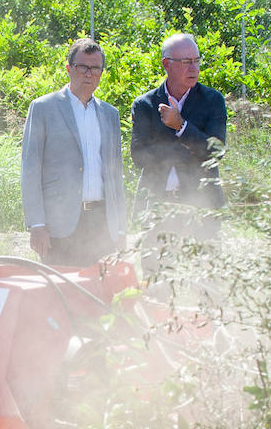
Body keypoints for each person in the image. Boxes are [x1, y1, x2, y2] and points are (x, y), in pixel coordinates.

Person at [20, 38, 127, 266]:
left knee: (100, 295)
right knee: (59, 296)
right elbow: (30, 170)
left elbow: (115, 175)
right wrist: (37, 225)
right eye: (82, 67)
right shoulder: (43, 108)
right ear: (69, 69)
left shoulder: (110, 114)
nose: (89, 74)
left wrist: (120, 229)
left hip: (101, 224)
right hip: (60, 226)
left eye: (95, 68)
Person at [130, 32, 227, 241]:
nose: (194, 68)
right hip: (156, 207)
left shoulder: (212, 100)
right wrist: (191, 148)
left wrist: (181, 126)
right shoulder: (145, 105)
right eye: (186, 62)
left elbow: (215, 152)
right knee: (154, 271)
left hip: (202, 208)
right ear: (167, 64)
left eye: (196, 61)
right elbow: (139, 156)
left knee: (203, 271)